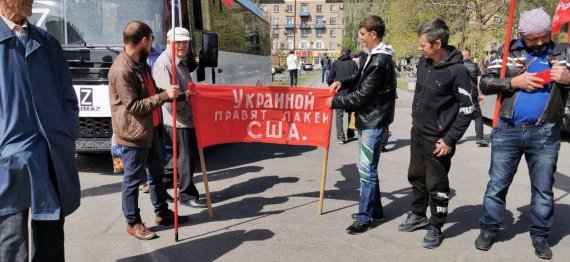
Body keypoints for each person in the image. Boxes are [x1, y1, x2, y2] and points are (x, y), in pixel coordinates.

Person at [474, 8, 570, 260]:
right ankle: (489, 228)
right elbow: (485, 82)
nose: (540, 42)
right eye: (533, 38)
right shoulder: (506, 51)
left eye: (544, 36)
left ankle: (540, 234)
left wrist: (568, 77)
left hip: (546, 132)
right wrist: (513, 83)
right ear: (521, 35)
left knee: (543, 188)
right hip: (508, 130)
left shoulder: (563, 52)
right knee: (497, 185)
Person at [0, 0, 81, 260]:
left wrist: (67, 134)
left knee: (51, 240)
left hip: (50, 158)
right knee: (11, 244)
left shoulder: (47, 43)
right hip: (8, 164)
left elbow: (68, 98)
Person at [398, 18, 473, 249]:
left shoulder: (458, 71)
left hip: (438, 141)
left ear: (437, 43)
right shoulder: (424, 63)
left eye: (423, 45)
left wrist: (450, 139)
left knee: (437, 185)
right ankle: (418, 213)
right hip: (418, 133)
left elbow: (467, 109)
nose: (419, 48)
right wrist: (414, 121)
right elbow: (419, 94)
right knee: (416, 177)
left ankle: (436, 225)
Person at [109, 21, 187, 241]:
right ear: (143, 40)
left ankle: (162, 213)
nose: (152, 45)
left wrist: (178, 95)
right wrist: (164, 97)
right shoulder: (122, 69)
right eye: (151, 40)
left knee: (156, 174)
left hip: (150, 129)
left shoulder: (140, 63)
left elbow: (154, 91)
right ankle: (133, 223)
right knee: (132, 180)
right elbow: (134, 106)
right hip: (134, 134)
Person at [327, 15, 397, 235]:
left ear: (373, 34)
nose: (360, 38)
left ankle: (365, 217)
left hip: (373, 121)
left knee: (366, 170)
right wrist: (342, 81)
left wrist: (335, 101)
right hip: (370, 119)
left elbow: (361, 96)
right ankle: (375, 210)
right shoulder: (373, 56)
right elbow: (359, 77)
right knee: (368, 168)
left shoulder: (379, 60)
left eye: (363, 34)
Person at [152, 27, 206, 208]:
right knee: (186, 158)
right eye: (178, 42)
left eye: (185, 42)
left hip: (185, 116)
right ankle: (187, 195)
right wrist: (186, 109)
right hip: (178, 118)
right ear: (169, 42)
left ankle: (158, 185)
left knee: (179, 159)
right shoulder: (165, 63)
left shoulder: (179, 61)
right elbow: (167, 97)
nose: (182, 45)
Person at [327, 47, 358, 144]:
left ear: (341, 53)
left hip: (338, 92)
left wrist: (333, 85)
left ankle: (341, 137)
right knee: (350, 114)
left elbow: (330, 78)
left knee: (339, 116)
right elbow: (357, 77)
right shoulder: (353, 63)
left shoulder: (335, 63)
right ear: (349, 54)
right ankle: (350, 134)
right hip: (350, 92)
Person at [462, 49, 489, 146]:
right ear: (469, 56)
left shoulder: (458, 66)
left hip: (459, 93)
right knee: (477, 116)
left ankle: (451, 137)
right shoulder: (475, 65)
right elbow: (479, 80)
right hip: (472, 92)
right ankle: (480, 137)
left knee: (455, 113)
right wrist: (480, 94)